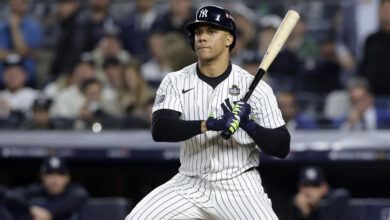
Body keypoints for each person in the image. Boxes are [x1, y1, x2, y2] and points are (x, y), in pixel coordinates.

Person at [126, 5, 290, 219]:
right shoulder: (175, 81)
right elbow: (161, 129)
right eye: (199, 32)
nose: (202, 37)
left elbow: (281, 146)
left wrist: (249, 125)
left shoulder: (255, 87)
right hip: (189, 182)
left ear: (229, 39)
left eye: (212, 32)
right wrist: (210, 124)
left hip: (238, 184)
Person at [4, 156, 88, 220]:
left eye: (59, 174)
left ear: (67, 177)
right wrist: (31, 209)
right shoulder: (38, 190)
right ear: (42, 177)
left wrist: (50, 214)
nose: (55, 179)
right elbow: (11, 195)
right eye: (50, 174)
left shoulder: (73, 192)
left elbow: (80, 195)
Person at [0, 0, 43, 87]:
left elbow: (23, 50)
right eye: (13, 2)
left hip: (27, 84)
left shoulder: (34, 27)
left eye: (19, 2)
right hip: (2, 83)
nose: (16, 5)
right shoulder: (2, 28)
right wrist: (22, 53)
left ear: (25, 4)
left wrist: (15, 28)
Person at [359, 0, 390, 95]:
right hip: (372, 94)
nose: (386, 13)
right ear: (378, 12)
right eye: (384, 9)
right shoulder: (371, 39)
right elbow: (364, 65)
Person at [0, 54, 38, 127]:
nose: (13, 76)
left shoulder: (36, 96)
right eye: (9, 73)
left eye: (17, 73)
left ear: (26, 75)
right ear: (3, 76)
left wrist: (12, 110)